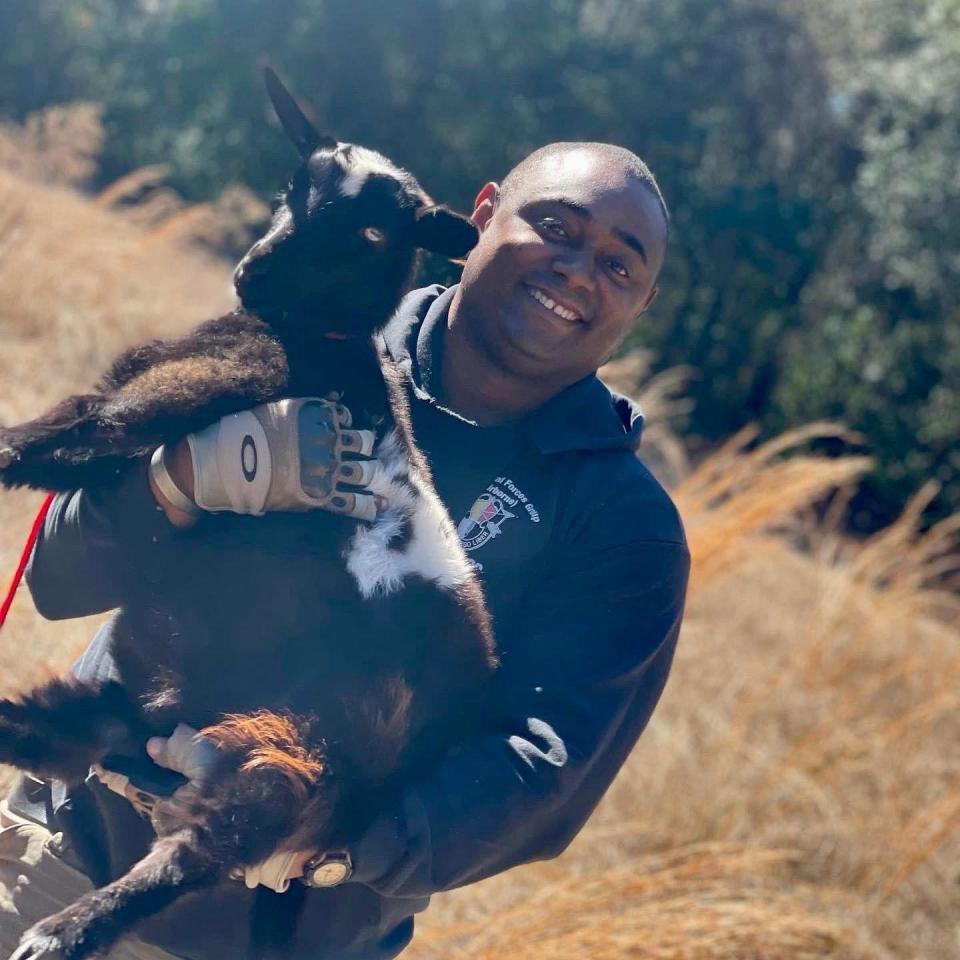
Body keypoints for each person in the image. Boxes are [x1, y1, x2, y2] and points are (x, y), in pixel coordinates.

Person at [1, 142, 690, 960]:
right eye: (556, 226)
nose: (580, 270)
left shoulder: (620, 525)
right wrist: (180, 482)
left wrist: (336, 848)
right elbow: (56, 575)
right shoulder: (302, 332)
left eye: (619, 265)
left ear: (641, 303)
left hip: (270, 937)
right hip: (50, 854)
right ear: (480, 216)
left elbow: (542, 772)